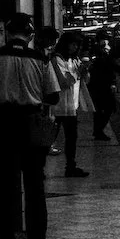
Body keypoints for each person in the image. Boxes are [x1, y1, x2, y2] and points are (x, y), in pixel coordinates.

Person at [0, 12, 59, 239]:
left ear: (7, 34)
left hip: (1, 125)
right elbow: (53, 96)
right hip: (31, 125)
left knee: (3, 186)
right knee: (34, 185)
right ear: (30, 35)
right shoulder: (40, 59)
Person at [48, 31, 91, 178]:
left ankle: (71, 166)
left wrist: (85, 71)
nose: (75, 47)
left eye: (77, 45)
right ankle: (40, 168)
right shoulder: (56, 59)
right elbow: (64, 82)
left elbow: (85, 80)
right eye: (73, 44)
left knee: (71, 138)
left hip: (71, 106)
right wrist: (78, 73)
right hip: (57, 106)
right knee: (49, 136)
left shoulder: (74, 60)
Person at [87, 33, 118, 140]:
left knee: (104, 109)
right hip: (100, 87)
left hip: (102, 86)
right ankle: (98, 130)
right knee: (103, 109)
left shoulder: (105, 54)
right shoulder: (97, 55)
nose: (107, 47)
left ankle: (98, 130)